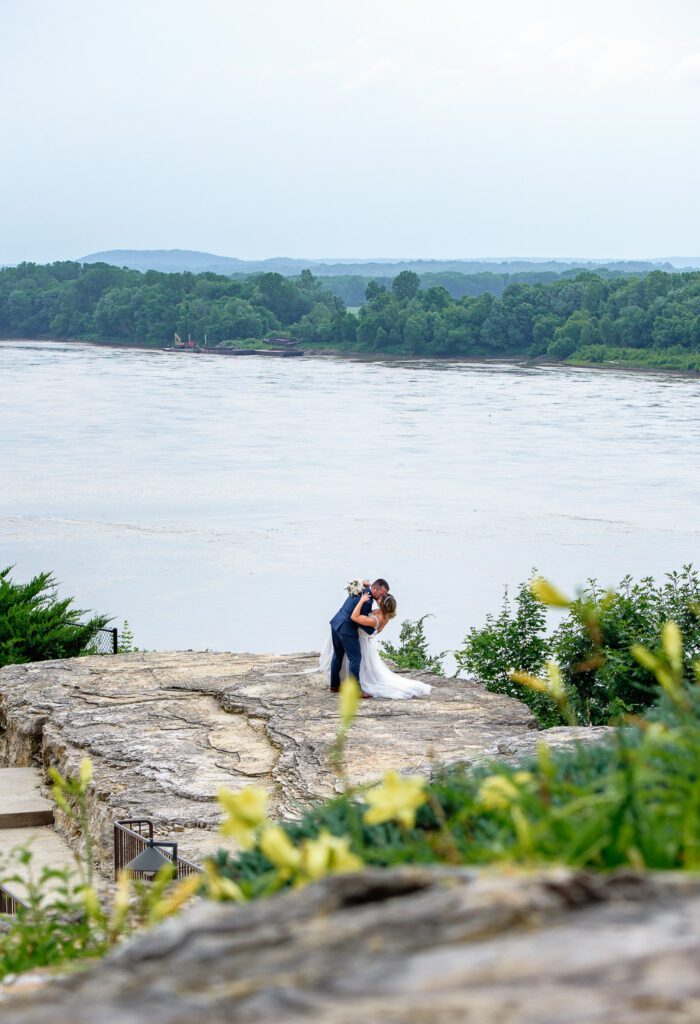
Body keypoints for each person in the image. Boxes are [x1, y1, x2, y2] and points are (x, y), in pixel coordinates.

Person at [322, 585, 432, 700]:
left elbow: (354, 617)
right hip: (352, 633)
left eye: (381, 598)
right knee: (348, 658)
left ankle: (340, 687)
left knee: (347, 658)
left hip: (346, 629)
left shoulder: (375, 619)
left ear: (381, 604)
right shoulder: (383, 614)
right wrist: (365, 584)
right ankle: (339, 686)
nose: (379, 597)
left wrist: (361, 600)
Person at [327, 579, 389, 695]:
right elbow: (360, 621)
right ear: (375, 589)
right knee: (355, 659)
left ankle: (334, 686)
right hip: (347, 629)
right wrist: (374, 631)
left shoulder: (361, 589)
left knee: (338, 655)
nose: (383, 596)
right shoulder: (367, 601)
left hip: (336, 622)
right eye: (382, 593)